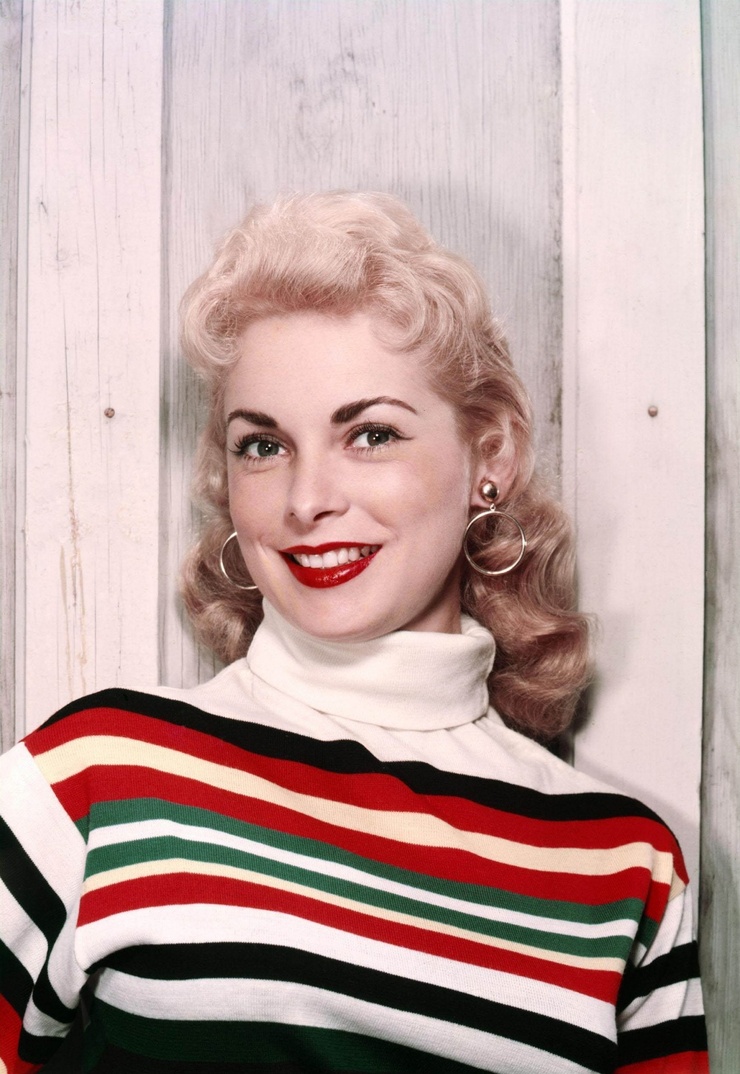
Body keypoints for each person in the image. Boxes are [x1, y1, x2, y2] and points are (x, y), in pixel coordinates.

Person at [1, 192, 708, 1073]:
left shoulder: (620, 866)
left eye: (370, 435)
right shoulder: (99, 778)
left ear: (489, 460)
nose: (307, 501)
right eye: (263, 445)